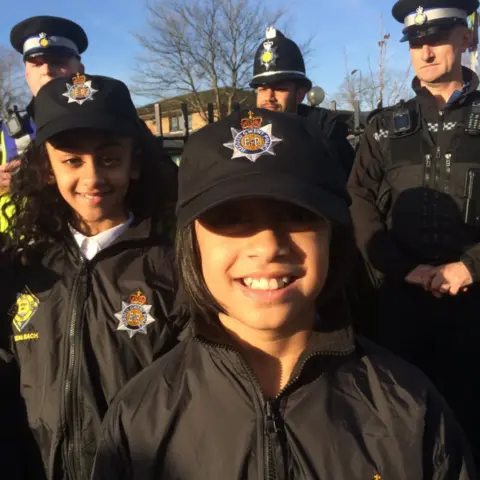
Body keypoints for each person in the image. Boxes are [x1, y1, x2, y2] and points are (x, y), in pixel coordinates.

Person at [91, 108, 474, 479]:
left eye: (297, 215)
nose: (269, 246)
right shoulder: (140, 417)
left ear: (332, 236)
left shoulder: (409, 409)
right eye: (232, 218)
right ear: (191, 242)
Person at [0, 73, 180, 479]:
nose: (93, 178)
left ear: (135, 163)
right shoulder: (22, 269)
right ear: (48, 169)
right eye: (72, 161)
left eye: (109, 159)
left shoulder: (175, 264)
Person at [348, 0, 480, 466]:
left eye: (438, 38)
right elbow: (359, 201)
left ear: (467, 39)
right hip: (402, 307)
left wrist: (471, 266)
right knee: (402, 432)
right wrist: (403, 269)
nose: (425, 52)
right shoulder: (383, 128)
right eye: (416, 43)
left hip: (475, 306)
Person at [0, 15, 88, 232]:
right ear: (27, 73)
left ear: (80, 71)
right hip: (16, 255)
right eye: (37, 63)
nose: (47, 70)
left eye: (58, 61)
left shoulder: (116, 123)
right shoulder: (5, 132)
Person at [251, 26, 355, 176]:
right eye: (262, 89)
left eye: (280, 88)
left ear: (300, 93)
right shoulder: (240, 135)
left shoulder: (328, 138)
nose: (269, 97)